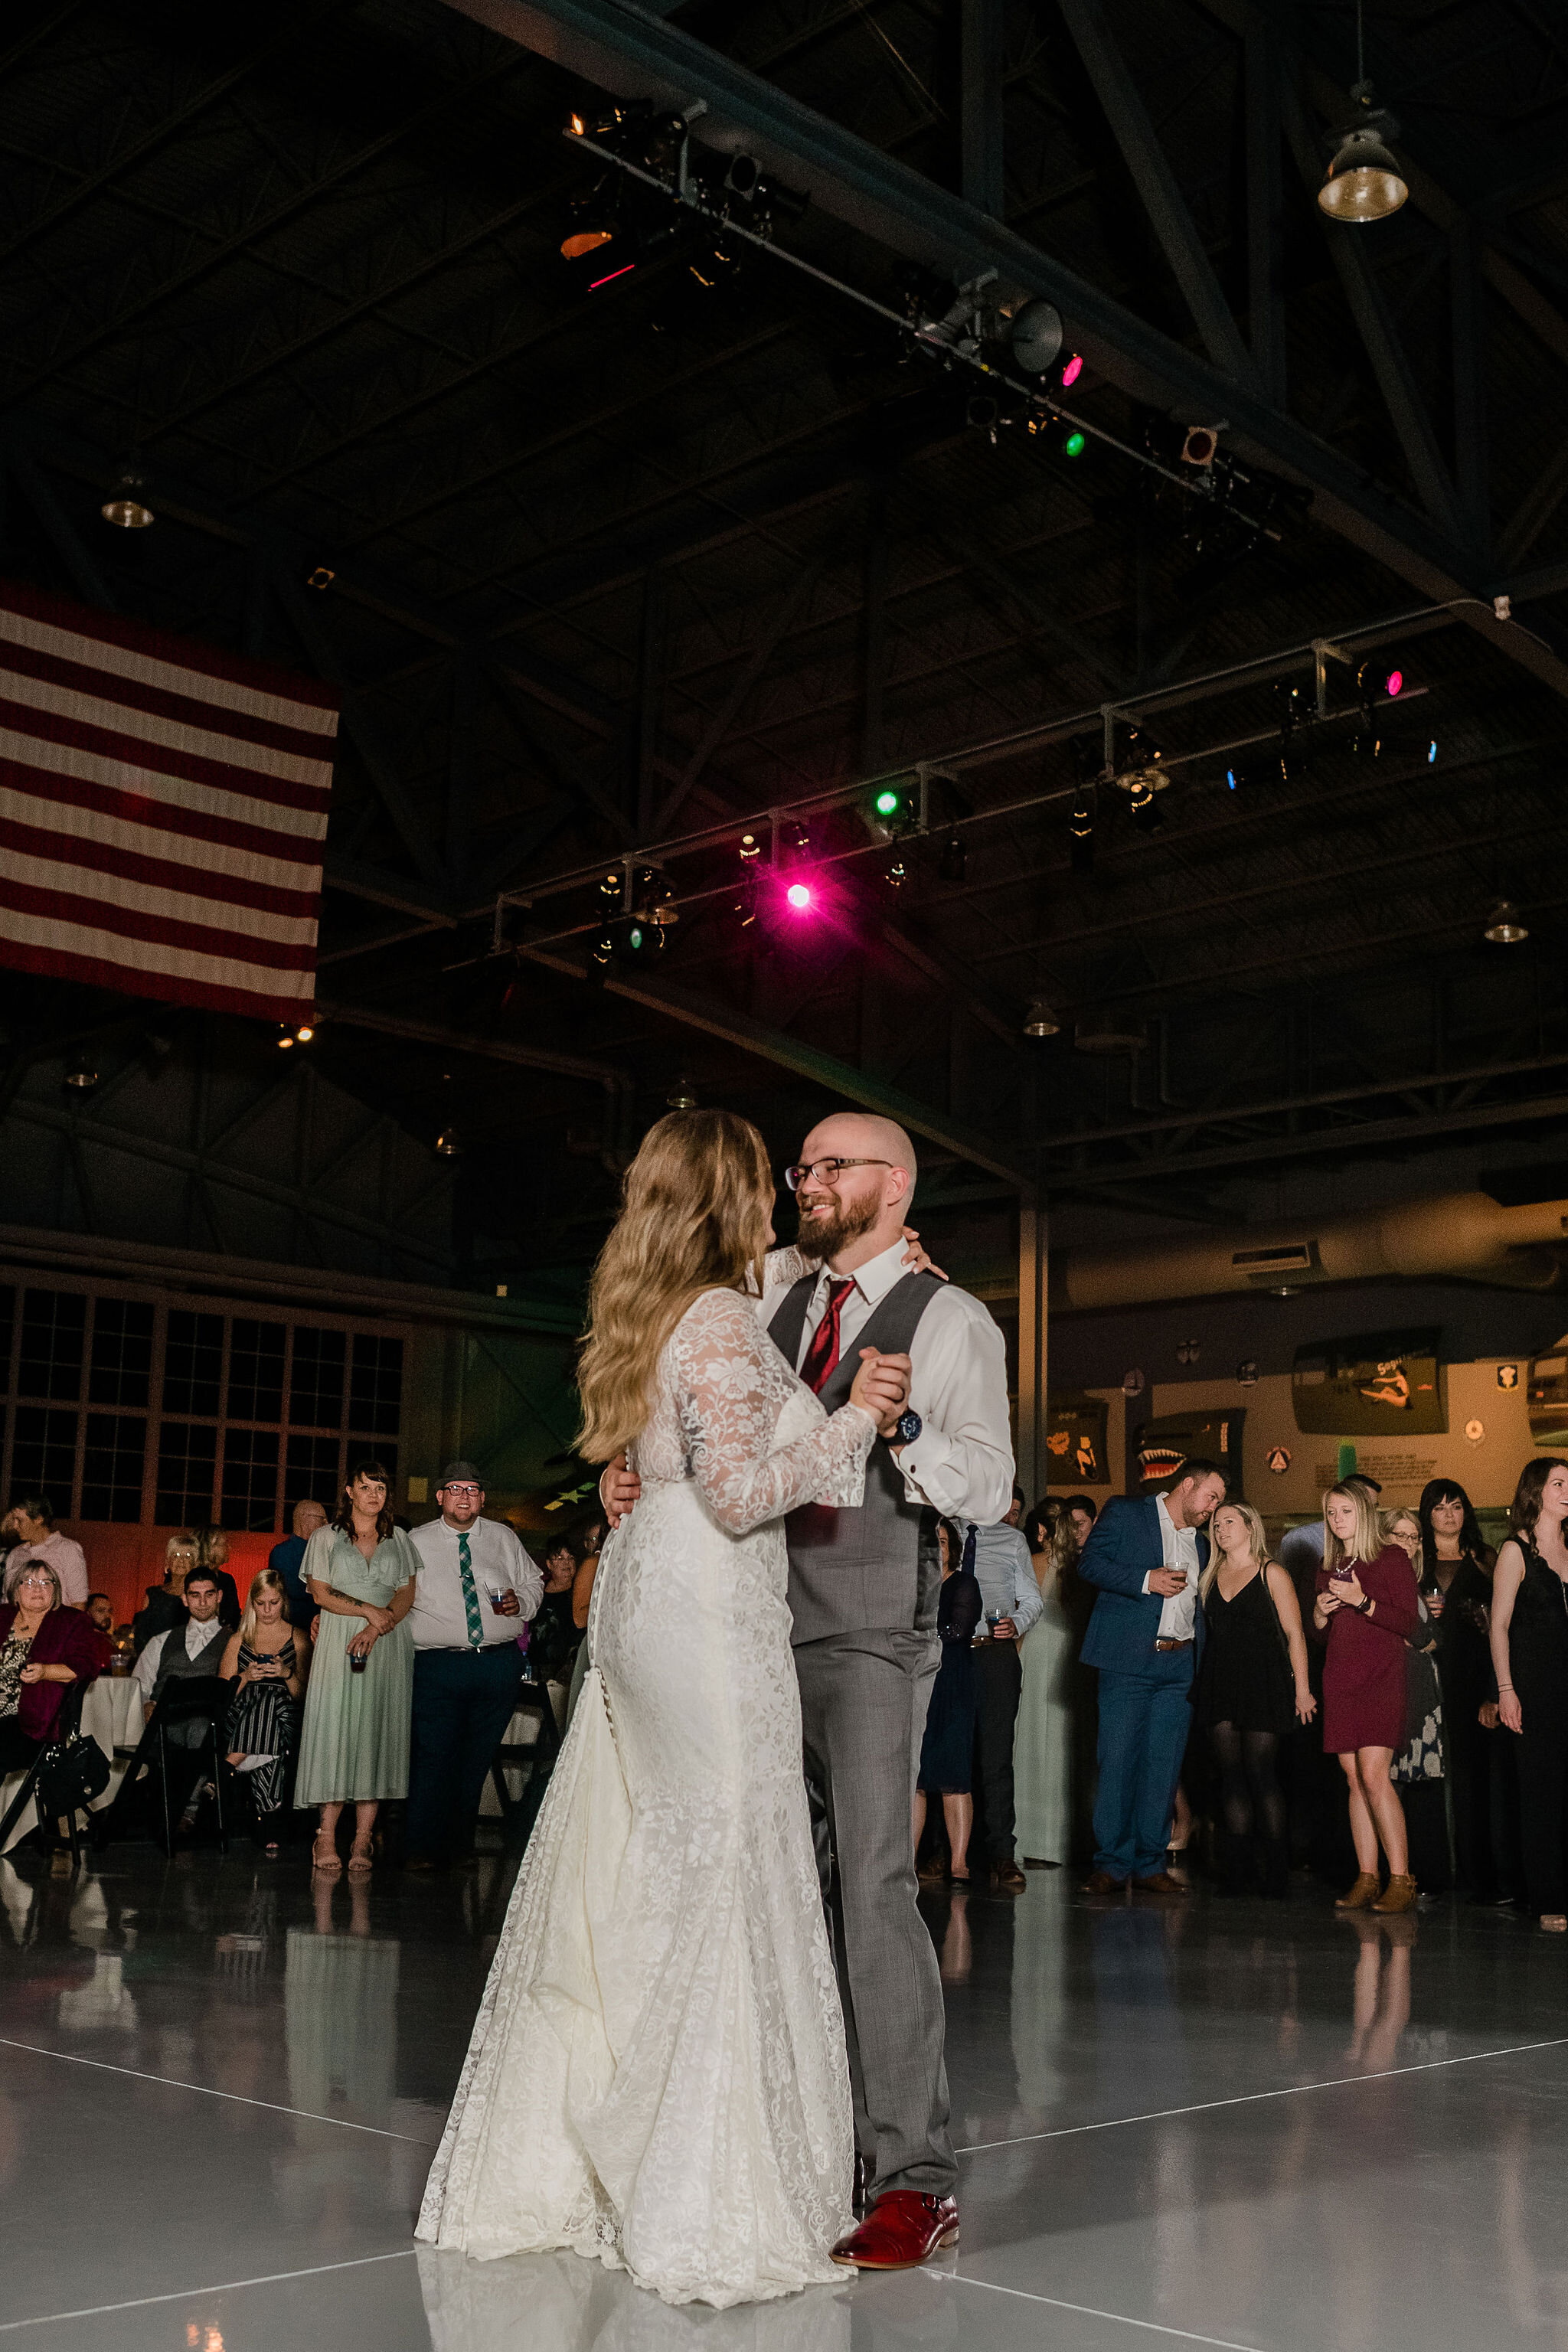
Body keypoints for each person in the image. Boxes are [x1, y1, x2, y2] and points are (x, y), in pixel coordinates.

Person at [418, 1108, 917, 2305]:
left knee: (651, 1854)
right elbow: (746, 1493)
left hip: (646, 1597)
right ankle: (699, 2184)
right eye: (771, 1182)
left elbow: (664, 1455)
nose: (787, 1197)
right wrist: (861, 1415)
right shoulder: (722, 1320)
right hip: (706, 1606)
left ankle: (599, 2150)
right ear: (734, 1195)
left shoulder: (652, 1311)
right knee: (732, 1862)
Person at [1077, 1459, 1227, 1896]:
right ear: (1186, 1485)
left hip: (1178, 1666)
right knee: (1118, 1762)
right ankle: (1111, 1863)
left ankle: (1150, 1863)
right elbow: (1090, 1564)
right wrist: (1146, 1579)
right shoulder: (1127, 1512)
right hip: (1126, 1662)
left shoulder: (1200, 1544)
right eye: (1210, 1497)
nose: (1213, 1508)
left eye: (1218, 1501)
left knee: (1163, 1767)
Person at [406, 1462, 543, 1871]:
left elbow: (534, 1581)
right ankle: (419, 1847)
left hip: (496, 1665)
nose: (464, 1496)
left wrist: (525, 1601)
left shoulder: (503, 1538)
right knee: (434, 1756)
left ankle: (459, 1846)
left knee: (476, 1757)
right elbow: (392, 1594)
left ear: (482, 1499)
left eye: (472, 1489)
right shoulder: (415, 1541)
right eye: (455, 1488)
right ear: (440, 1497)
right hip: (437, 1666)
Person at [296, 1462, 419, 1879]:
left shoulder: (399, 1538)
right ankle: (326, 1834)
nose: (373, 1494)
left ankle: (363, 1837)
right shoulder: (325, 1537)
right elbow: (320, 1592)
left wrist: (378, 1624)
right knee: (335, 1729)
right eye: (365, 1487)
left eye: (380, 1487)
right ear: (349, 1491)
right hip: (338, 1639)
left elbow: (405, 1594)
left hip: (387, 1641)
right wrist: (365, 1610)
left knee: (376, 1734)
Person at [1193, 1500, 1315, 1896]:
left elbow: (1296, 1635)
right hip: (1221, 1680)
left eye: (1229, 1521)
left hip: (1264, 1681)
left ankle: (1277, 1871)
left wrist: (1303, 1691)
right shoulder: (1210, 1574)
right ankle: (1239, 1869)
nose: (1221, 1528)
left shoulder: (1271, 1572)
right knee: (1230, 1776)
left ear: (1250, 1526)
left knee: (1261, 1772)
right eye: (1216, 1523)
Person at [1312, 1480, 1422, 1914]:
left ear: (1364, 1514)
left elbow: (1408, 1624)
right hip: (1340, 1678)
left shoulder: (1391, 1557)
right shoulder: (1329, 1564)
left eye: (1346, 1512)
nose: (1338, 1521)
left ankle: (1401, 1878)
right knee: (1354, 1779)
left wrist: (1363, 1601)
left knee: (1375, 1775)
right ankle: (1367, 1876)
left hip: (1381, 1677)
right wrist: (1319, 1615)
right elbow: (1322, 1637)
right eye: (1331, 1513)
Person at [1488, 1456, 1568, 1933]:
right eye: (1559, 1483)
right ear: (1535, 1492)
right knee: (1541, 1795)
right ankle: (1547, 1898)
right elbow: (1498, 1628)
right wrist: (1505, 1690)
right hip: (1534, 1690)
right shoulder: (1515, 1552)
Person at [1418, 1477, 1504, 1900]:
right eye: (1440, 1507)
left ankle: (1479, 1876)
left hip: (1473, 1674)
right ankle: (1431, 1873)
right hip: (1427, 1674)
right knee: (1427, 1773)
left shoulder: (1485, 1557)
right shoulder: (1416, 1560)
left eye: (1456, 1506)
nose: (1449, 1514)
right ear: (1428, 1514)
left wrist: (1487, 1617)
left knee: (1473, 1774)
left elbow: (1507, 1619)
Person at [960, 1488, 1041, 1891]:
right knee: (947, 1754)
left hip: (995, 1655)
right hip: (949, 1657)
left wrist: (1017, 1622)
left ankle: (1001, 1856)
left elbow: (1031, 1600)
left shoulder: (1012, 1539)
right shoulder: (944, 1531)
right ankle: (943, 1852)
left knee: (995, 1757)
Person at [130, 1566, 232, 1833]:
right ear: (184, 1599)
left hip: (207, 1726)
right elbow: (138, 1685)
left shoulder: (232, 1641)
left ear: (219, 1596)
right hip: (163, 1724)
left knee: (201, 1729)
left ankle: (189, 1811)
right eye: (195, 1595)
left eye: (209, 1594)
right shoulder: (162, 1640)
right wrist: (146, 1705)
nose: (202, 1602)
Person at [1382, 1506, 1449, 1897]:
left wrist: (1422, 1634)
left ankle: (1419, 1877)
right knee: (1387, 1783)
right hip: (1392, 1690)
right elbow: (1399, 1631)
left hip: (1423, 1692)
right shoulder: (1382, 1577)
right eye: (1400, 1536)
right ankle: (1393, 1875)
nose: (1407, 1544)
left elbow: (1435, 1637)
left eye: (1413, 1537)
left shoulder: (1418, 1582)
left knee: (1420, 1786)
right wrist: (1419, 1634)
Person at [219, 1569, 308, 1855]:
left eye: (274, 1602)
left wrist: (285, 1673)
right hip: (241, 1714)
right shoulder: (238, 1639)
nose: (268, 1610)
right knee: (269, 1719)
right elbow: (221, 1695)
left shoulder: (299, 1639)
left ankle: (227, 1767)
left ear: (284, 1601)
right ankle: (269, 1819)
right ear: (251, 1603)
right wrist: (245, 1677)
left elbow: (303, 1695)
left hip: (287, 1714)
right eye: (261, 1603)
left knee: (273, 1702)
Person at [915, 1518, 982, 1884]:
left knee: (954, 1775)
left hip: (952, 1683)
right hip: (917, 1684)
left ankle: (958, 1863)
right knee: (917, 1777)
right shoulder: (914, 1584)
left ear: (952, 1547)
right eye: (931, 1542)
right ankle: (906, 1863)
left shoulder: (963, 1583)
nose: (937, 1548)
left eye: (942, 1541)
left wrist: (918, 1634)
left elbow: (957, 1630)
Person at [1012, 1500, 1077, 1869]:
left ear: (1041, 1532)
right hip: (1067, 1657)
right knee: (1062, 1746)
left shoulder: (1033, 1564)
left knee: (1031, 1743)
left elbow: (1020, 1617)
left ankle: (1030, 1837)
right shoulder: (1081, 1568)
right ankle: (1061, 1840)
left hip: (1036, 1654)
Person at [0, 1559, 109, 1775]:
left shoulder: (71, 1621)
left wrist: (45, 1671)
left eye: (46, 1582)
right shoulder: (2, 1616)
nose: (38, 1589)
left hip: (30, 1722)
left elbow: (87, 1666)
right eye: (29, 1582)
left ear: (55, 1589)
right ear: (16, 1588)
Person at [2, 1498, 89, 1607]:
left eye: (19, 1520)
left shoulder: (67, 1549)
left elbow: (79, 1602)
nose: (15, 1526)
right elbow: (7, 1600)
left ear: (38, 1519)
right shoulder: (16, 1553)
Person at [132, 1532, 198, 1654]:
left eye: (187, 1556)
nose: (181, 1560)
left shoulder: (198, 1596)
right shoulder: (152, 1594)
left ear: (195, 1563)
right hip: (153, 1658)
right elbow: (140, 1634)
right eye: (176, 1555)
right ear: (168, 1562)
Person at [269, 1499, 328, 1629]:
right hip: (292, 1627)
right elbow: (296, 1589)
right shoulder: (282, 1552)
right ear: (305, 1519)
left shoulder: (324, 1550)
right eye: (322, 1519)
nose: (326, 1524)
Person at [191, 1524, 241, 1627]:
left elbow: (234, 1619)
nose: (229, 1547)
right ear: (211, 1547)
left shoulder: (227, 1580)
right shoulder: (187, 1579)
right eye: (225, 1543)